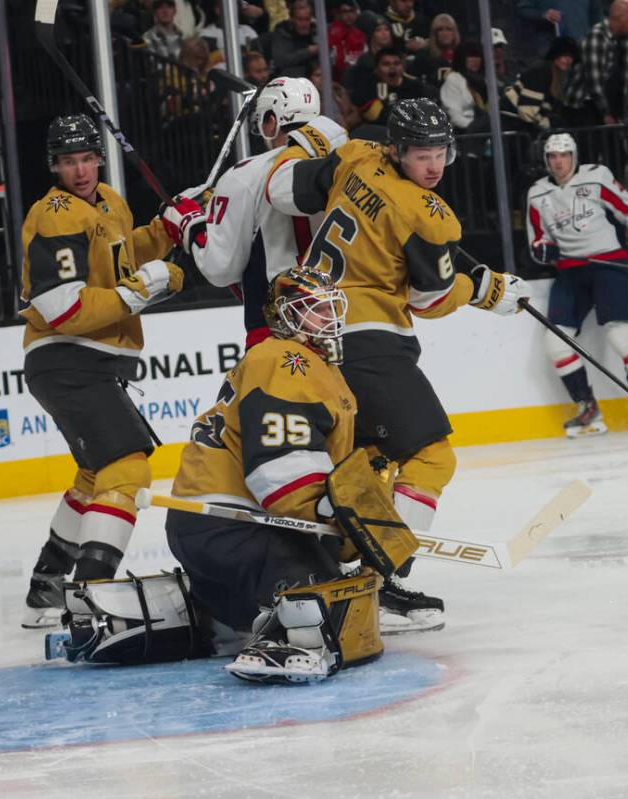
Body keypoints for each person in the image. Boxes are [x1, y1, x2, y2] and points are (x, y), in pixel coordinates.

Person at [265, 98, 528, 632]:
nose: (433, 167)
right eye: (421, 155)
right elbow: (429, 301)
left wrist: (307, 145)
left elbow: (282, 191)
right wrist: (487, 289)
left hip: (306, 327)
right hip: (367, 339)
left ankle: (340, 570)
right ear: (397, 149)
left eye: (439, 154)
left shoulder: (357, 155)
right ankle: (377, 586)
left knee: (371, 461)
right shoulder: (428, 215)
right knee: (431, 459)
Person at [166, 267, 410, 682]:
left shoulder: (314, 369)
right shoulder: (286, 359)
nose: (328, 319)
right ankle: (287, 638)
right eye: (313, 310)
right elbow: (281, 476)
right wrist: (347, 530)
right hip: (235, 524)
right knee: (323, 587)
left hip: (205, 525)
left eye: (332, 308)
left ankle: (224, 622)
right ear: (282, 317)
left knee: (315, 565)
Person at [18, 115, 194, 628]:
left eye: (87, 159)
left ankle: (46, 589)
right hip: (66, 355)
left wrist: (165, 230)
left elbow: (122, 257)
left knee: (97, 477)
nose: (80, 170)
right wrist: (145, 289)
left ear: (99, 158)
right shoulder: (53, 215)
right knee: (127, 470)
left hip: (85, 360)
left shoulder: (110, 202)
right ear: (55, 166)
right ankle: (90, 595)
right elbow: (62, 308)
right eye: (69, 162)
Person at [185, 77, 349, 347]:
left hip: (279, 328)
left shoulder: (246, 174)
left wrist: (190, 223)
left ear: (271, 120)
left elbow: (220, 268)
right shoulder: (345, 162)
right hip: (341, 316)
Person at [526, 133, 628, 436]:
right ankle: (587, 409)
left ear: (574, 156)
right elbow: (537, 241)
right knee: (555, 341)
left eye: (564, 154)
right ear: (546, 160)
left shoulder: (597, 177)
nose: (558, 161)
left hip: (609, 263)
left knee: (619, 333)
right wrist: (541, 250)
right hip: (570, 272)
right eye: (552, 156)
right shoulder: (537, 194)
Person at [564, 0, 628, 128]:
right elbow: (594, 83)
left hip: (603, 102)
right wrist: (606, 114)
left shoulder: (621, 35)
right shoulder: (597, 37)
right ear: (620, 17)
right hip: (582, 106)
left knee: (615, 145)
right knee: (594, 144)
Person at [505, 36, 580, 131]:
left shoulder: (555, 78)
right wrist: (547, 123)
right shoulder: (541, 73)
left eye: (571, 57)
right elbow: (527, 111)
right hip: (509, 124)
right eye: (565, 55)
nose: (569, 60)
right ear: (555, 55)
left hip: (518, 126)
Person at [351, 46, 433, 126]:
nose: (392, 68)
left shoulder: (414, 87)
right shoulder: (367, 86)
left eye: (396, 63)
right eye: (386, 64)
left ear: (403, 67)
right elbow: (372, 117)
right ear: (377, 68)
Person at [271, 0, 319, 78]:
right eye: (300, 19)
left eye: (307, 19)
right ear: (292, 19)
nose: (304, 24)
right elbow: (281, 61)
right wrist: (309, 51)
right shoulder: (283, 32)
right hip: (289, 78)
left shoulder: (315, 30)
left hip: (313, 77)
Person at [411, 12, 459, 87]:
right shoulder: (424, 56)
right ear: (434, 34)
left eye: (449, 29)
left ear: (454, 33)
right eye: (440, 30)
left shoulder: (463, 54)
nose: (445, 33)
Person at [328, 0, 367, 82]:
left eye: (351, 11)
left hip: (359, 76)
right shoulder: (332, 33)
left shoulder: (361, 33)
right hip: (337, 79)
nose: (349, 15)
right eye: (345, 12)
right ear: (338, 14)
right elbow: (335, 62)